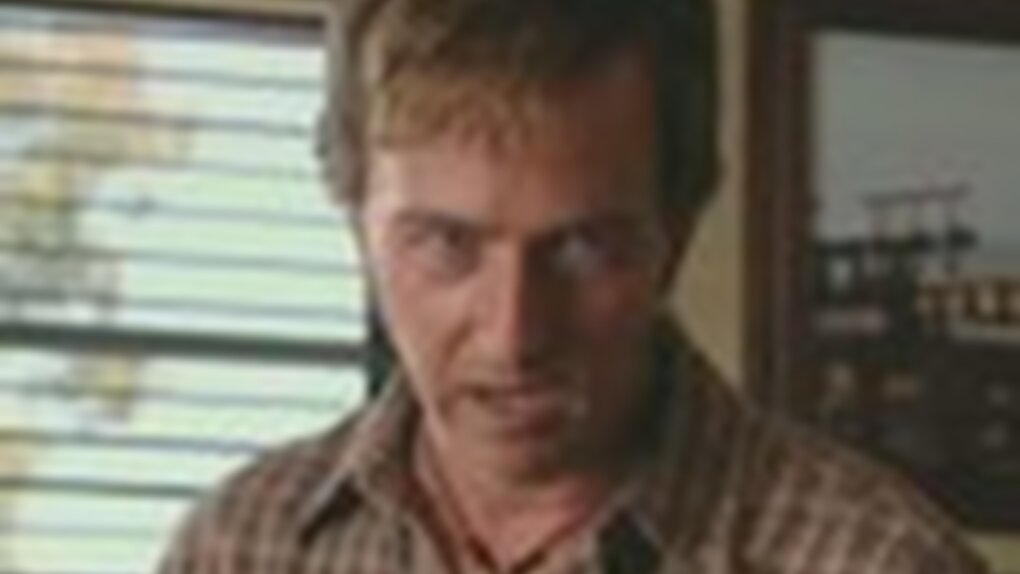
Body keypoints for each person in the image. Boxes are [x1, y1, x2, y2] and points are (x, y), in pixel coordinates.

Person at [158, 0, 988, 572]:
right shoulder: (241, 547)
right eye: (445, 245)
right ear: (355, 222)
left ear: (677, 230)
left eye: (585, 248)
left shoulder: (878, 559)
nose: (513, 336)